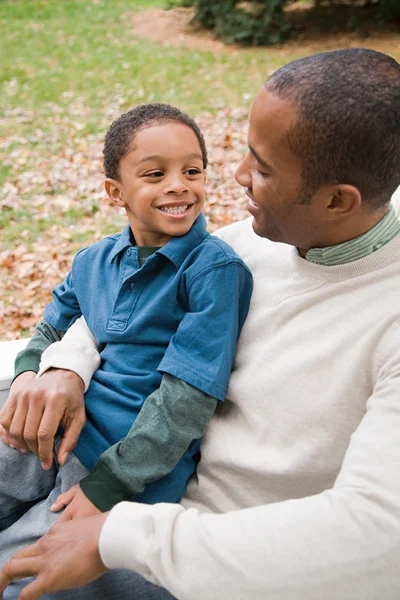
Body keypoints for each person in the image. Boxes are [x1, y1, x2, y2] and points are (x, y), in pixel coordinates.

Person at [1, 47, 400, 600]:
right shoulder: (259, 237)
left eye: (261, 168)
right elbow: (124, 303)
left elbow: (378, 537)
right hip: (99, 439)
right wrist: (64, 366)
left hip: (188, 535)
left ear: (337, 200)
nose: (234, 178)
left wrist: (119, 535)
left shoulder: (385, 321)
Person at [0, 104, 253, 571]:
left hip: (123, 470)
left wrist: (108, 485)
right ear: (116, 193)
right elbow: (52, 326)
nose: (179, 184)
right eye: (155, 174)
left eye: (192, 170)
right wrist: (26, 376)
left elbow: (186, 400)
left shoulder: (213, 271)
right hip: (53, 430)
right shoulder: (95, 259)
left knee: (17, 567)